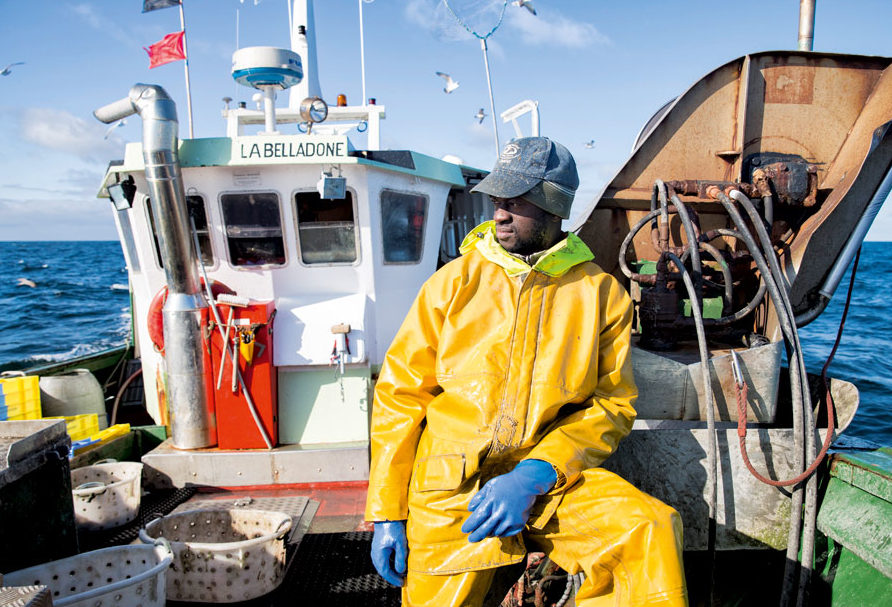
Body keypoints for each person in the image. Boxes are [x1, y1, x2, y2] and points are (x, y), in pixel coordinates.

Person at [366, 137, 688, 606]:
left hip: (552, 481)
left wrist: (533, 475)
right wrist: (387, 513)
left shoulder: (601, 294)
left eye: (514, 204)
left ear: (552, 205)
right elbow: (400, 396)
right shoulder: (452, 282)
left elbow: (611, 404)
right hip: (452, 488)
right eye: (498, 202)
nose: (499, 215)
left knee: (648, 529)